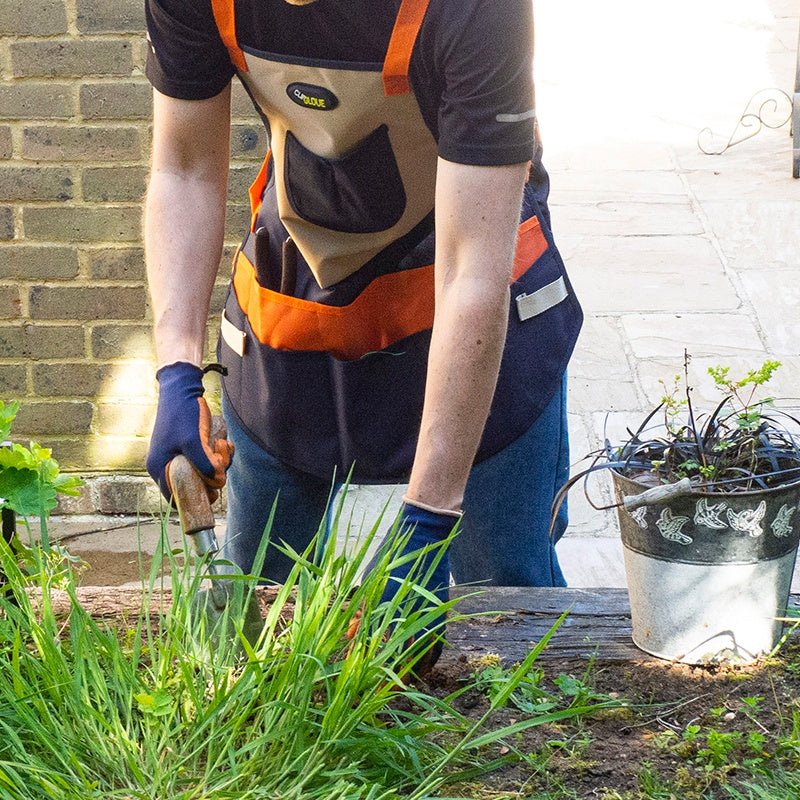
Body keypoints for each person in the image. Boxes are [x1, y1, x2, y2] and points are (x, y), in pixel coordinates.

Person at [143, 0, 583, 665]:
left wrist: (431, 517)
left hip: (476, 314)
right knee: (262, 605)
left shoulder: (473, 9)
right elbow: (183, 168)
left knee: (510, 606)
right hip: (293, 303)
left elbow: (471, 273)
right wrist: (176, 367)